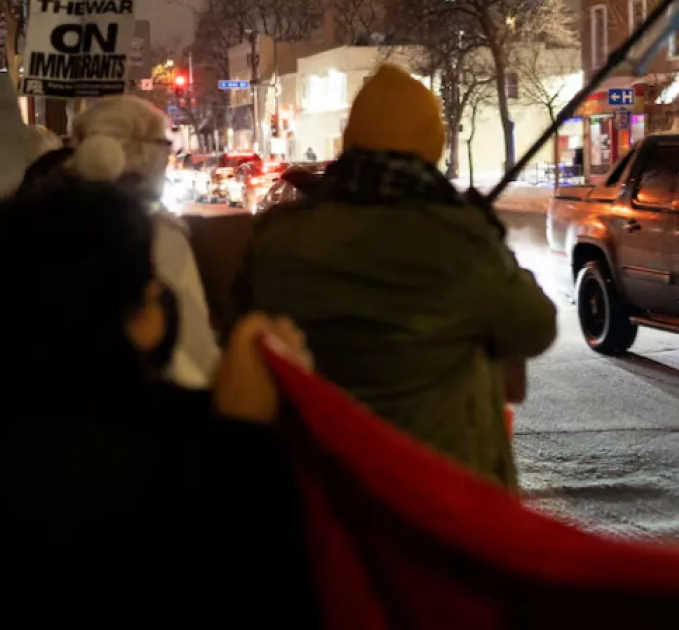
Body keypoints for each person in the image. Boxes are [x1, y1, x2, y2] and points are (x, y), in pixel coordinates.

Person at [1, 179, 317, 624]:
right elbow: (257, 584)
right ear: (130, 312)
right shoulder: (159, 471)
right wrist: (247, 436)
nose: (160, 294)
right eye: (149, 286)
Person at [240, 64, 556, 487]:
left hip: (318, 487)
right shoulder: (457, 241)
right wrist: (489, 242)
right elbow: (535, 328)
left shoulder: (276, 237)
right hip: (436, 495)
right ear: (432, 144)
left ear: (352, 140)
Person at [43, 95, 222, 388]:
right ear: (144, 153)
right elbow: (195, 353)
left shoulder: (36, 217)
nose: (167, 158)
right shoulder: (154, 233)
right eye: (164, 146)